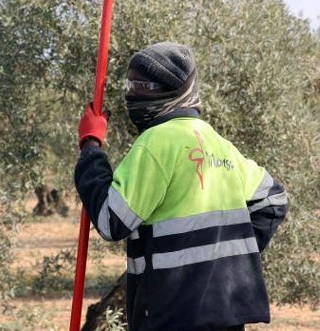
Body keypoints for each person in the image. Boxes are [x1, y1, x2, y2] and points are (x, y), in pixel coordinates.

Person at [75, 42, 288, 331]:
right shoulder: (217, 142)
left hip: (172, 317)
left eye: (141, 87)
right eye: (129, 85)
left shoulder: (157, 142)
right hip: (227, 313)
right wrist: (225, 265)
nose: (131, 94)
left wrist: (91, 146)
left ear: (167, 91)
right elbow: (273, 200)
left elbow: (111, 220)